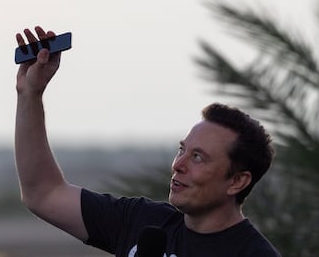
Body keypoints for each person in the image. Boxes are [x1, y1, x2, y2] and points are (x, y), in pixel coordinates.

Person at [14, 26, 281, 257]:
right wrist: (30, 93)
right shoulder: (142, 221)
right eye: (182, 150)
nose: (179, 165)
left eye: (198, 157)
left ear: (237, 181)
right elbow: (43, 193)